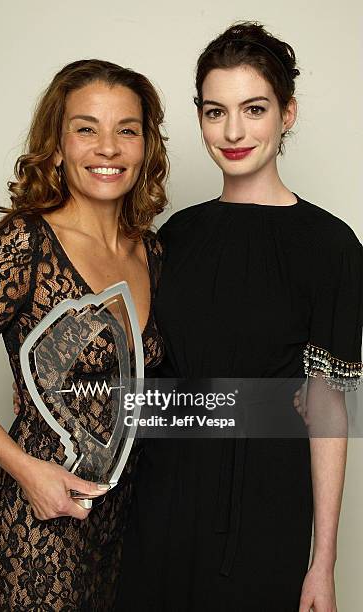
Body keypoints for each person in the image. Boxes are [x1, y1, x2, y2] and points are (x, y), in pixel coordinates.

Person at [116, 21, 362, 612]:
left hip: (265, 506)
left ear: (288, 113)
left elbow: (328, 406)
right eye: (214, 111)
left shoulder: (332, 246)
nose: (232, 131)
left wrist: (321, 563)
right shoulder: (174, 236)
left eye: (254, 109)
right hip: (160, 494)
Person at [0, 59, 168, 611]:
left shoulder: (151, 252)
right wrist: (27, 470)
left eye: (126, 130)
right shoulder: (27, 243)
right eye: (87, 128)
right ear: (57, 146)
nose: (108, 147)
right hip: (38, 522)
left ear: (145, 147)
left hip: (125, 523)